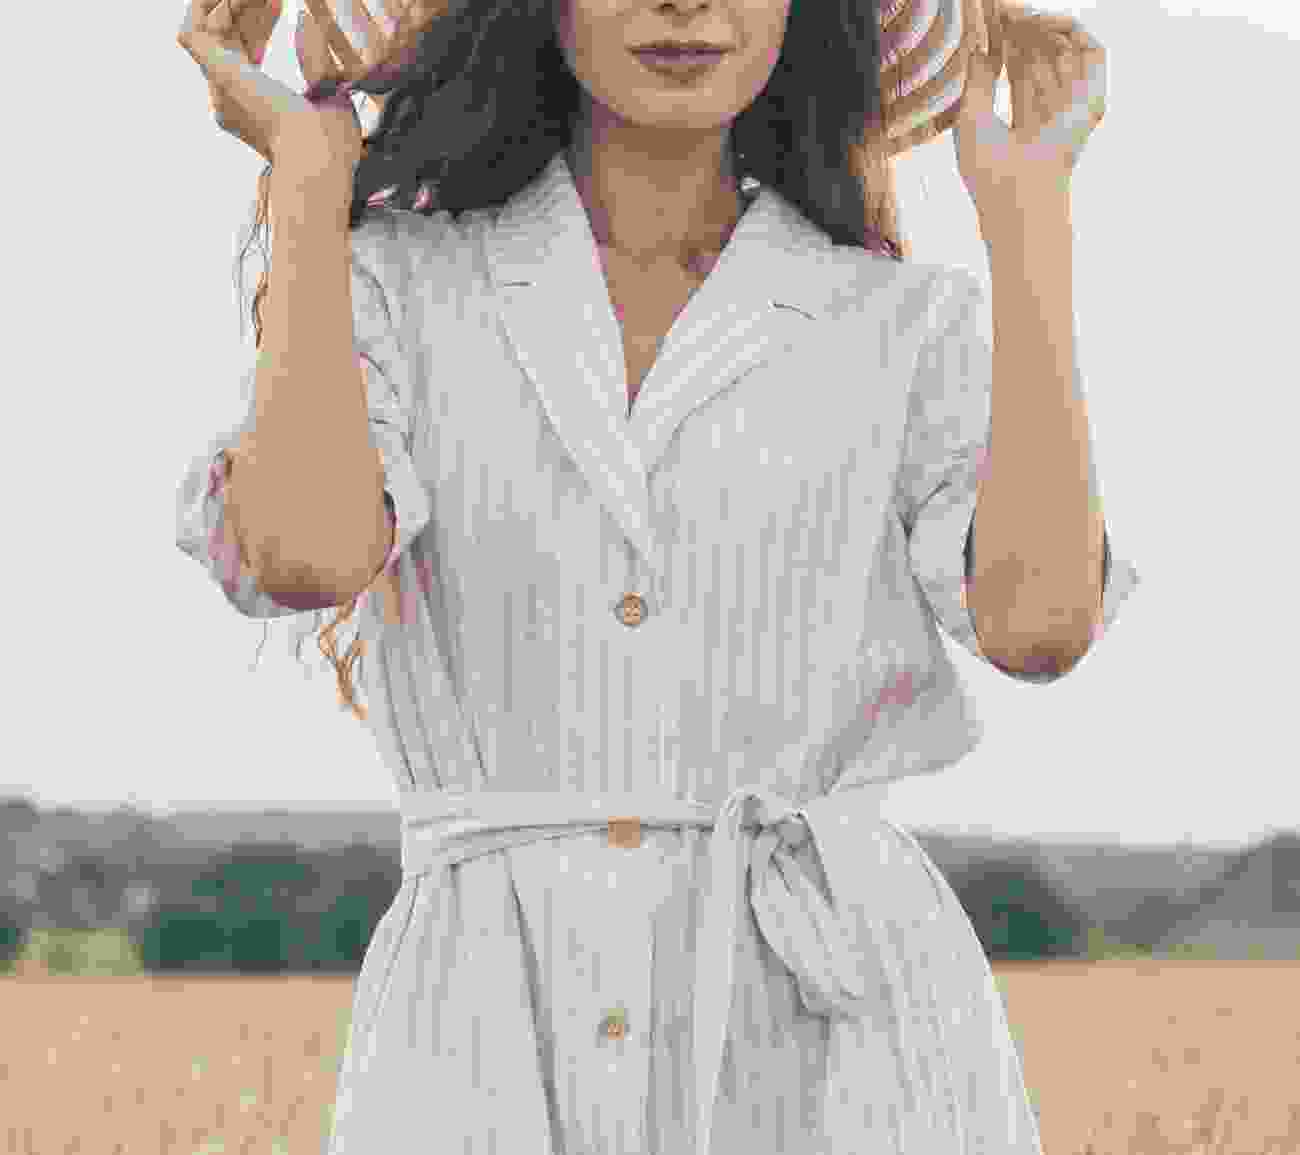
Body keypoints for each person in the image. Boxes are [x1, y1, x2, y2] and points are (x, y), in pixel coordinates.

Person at [174, 0, 1139, 1151]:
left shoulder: (901, 323)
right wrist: (304, 181)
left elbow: (1042, 625)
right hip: (486, 1023)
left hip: (843, 1042)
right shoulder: (400, 284)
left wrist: (1027, 217)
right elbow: (302, 554)